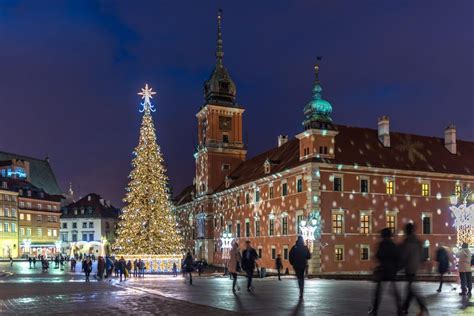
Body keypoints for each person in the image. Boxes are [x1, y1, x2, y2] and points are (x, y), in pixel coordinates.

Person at [368, 228, 401, 315]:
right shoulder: (393, 245)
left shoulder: (382, 245)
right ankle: (400, 309)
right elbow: (398, 258)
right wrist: (395, 269)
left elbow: (378, 256)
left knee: (378, 292)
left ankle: (375, 310)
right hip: (391, 271)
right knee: (395, 292)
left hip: (383, 271)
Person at [400, 223, 427, 315]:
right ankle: (405, 307)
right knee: (410, 289)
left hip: (409, 267)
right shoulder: (418, 241)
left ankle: (421, 306)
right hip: (415, 267)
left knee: (411, 289)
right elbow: (422, 256)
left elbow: (404, 256)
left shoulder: (407, 241)